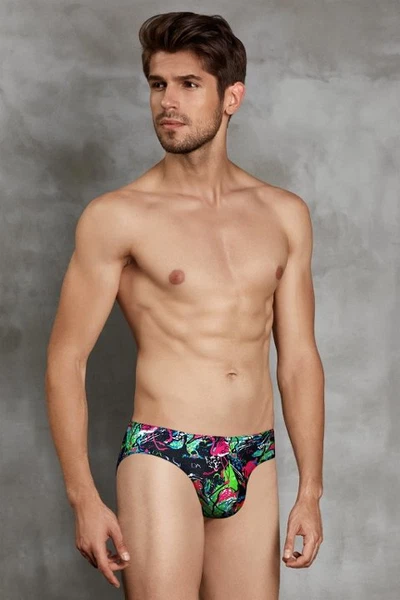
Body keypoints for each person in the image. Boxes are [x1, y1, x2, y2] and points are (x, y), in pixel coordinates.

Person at [45, 11, 325, 600]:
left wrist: (311, 490)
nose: (167, 102)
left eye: (189, 84)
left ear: (232, 97)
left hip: (253, 456)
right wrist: (83, 497)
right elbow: (67, 359)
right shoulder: (118, 216)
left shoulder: (284, 215)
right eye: (158, 84)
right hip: (163, 453)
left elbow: (299, 360)